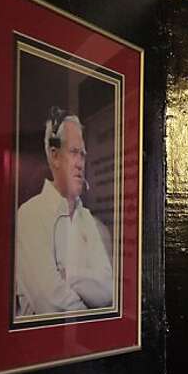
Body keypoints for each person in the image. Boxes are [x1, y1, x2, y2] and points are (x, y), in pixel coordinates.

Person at [14, 107, 114, 317]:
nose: (80, 163)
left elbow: (107, 292)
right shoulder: (30, 215)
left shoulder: (88, 220)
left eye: (83, 155)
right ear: (55, 156)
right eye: (74, 152)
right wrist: (93, 315)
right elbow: (49, 304)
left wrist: (68, 273)